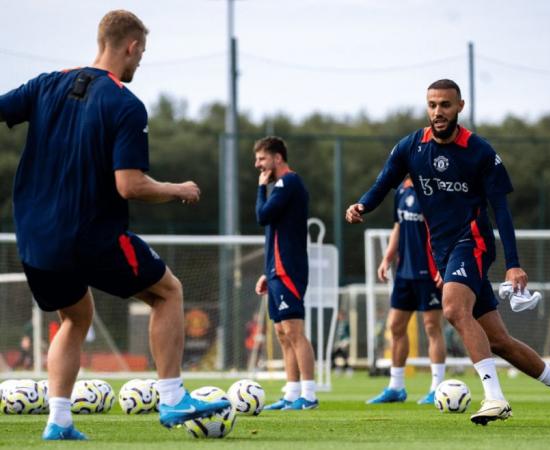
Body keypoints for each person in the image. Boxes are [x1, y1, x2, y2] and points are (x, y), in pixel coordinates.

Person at [0, 10, 229, 440]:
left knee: (75, 316)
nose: (139, 62)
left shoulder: (45, 83)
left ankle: (59, 421)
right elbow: (130, 185)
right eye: (141, 53)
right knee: (168, 292)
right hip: (89, 236)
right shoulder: (124, 103)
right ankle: (174, 396)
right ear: (132, 47)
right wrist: (178, 188)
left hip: (35, 240)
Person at [346, 79, 550, 426]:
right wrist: (363, 204)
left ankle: (495, 398)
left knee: (451, 308)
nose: (438, 112)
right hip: (442, 251)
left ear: (460, 107)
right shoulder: (411, 146)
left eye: (445, 105)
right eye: (432, 105)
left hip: (474, 241)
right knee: (499, 341)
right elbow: (385, 180)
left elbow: (502, 211)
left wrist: (513, 264)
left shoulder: (479, 152)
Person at [366, 178, 446, 405]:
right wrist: (387, 258)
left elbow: (442, 229)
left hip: (429, 273)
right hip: (404, 273)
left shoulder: (432, 189)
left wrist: (443, 265)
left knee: (432, 327)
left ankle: (437, 387)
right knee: (395, 326)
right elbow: (398, 226)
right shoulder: (401, 189)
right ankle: (396, 387)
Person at [253, 136, 319, 410]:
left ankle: (310, 395)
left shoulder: (288, 182)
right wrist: (267, 271)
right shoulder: (281, 186)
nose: (258, 165)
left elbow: (262, 216)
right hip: (277, 268)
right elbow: (276, 232)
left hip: (289, 268)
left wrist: (260, 190)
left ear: (277, 158)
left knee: (294, 330)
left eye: (262, 159)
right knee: (281, 331)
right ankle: (291, 393)